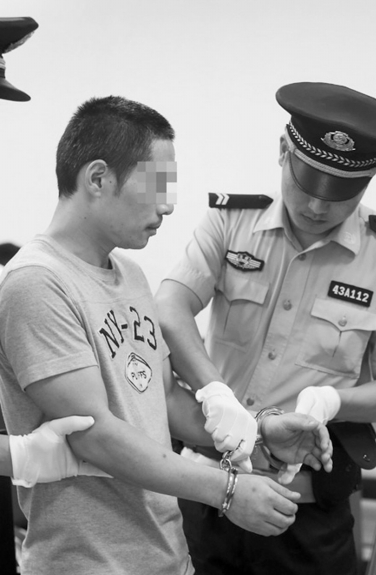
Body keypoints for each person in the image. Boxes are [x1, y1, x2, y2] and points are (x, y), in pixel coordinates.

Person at [0, 95, 333, 575]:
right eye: (157, 184)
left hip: (166, 555)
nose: (168, 205)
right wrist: (226, 490)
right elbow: (94, 435)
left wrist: (257, 432)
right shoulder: (37, 282)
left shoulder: (131, 275)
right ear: (98, 178)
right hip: (88, 562)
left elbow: (166, 401)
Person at [155, 82, 376, 574]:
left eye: (340, 192)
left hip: (302, 512)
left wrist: (332, 401)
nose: (318, 207)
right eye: (307, 184)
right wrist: (215, 392)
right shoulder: (231, 223)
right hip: (207, 492)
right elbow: (170, 306)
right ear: (284, 151)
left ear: (371, 178)